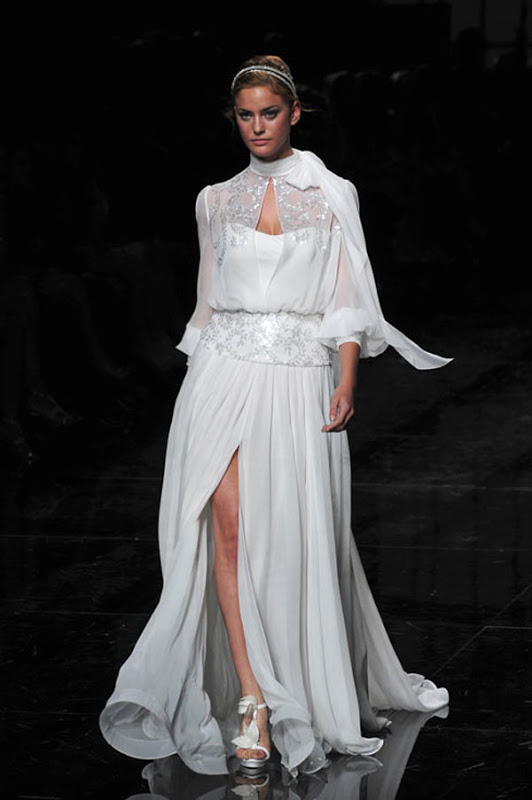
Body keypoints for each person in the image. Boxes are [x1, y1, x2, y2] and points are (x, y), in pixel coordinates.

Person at [100, 55, 450, 778]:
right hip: (220, 375)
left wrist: (346, 380)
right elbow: (205, 303)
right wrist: (190, 386)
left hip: (297, 378)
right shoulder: (212, 200)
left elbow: (347, 299)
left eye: (269, 113)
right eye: (245, 115)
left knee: (287, 537)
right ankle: (254, 700)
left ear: (294, 114)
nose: (257, 127)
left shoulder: (331, 194)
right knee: (224, 534)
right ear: (233, 119)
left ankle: (298, 679)